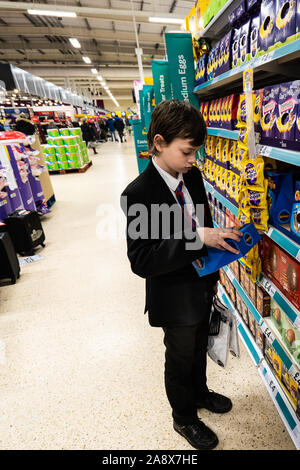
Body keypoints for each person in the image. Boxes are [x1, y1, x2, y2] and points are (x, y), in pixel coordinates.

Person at [120, 100, 242, 450]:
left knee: (199, 344)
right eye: (187, 152)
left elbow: (201, 225)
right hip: (173, 296)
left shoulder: (194, 177)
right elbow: (142, 260)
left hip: (203, 282)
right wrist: (197, 238)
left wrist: (217, 238)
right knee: (179, 355)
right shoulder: (139, 193)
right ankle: (184, 417)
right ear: (159, 143)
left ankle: (200, 393)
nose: (193, 160)